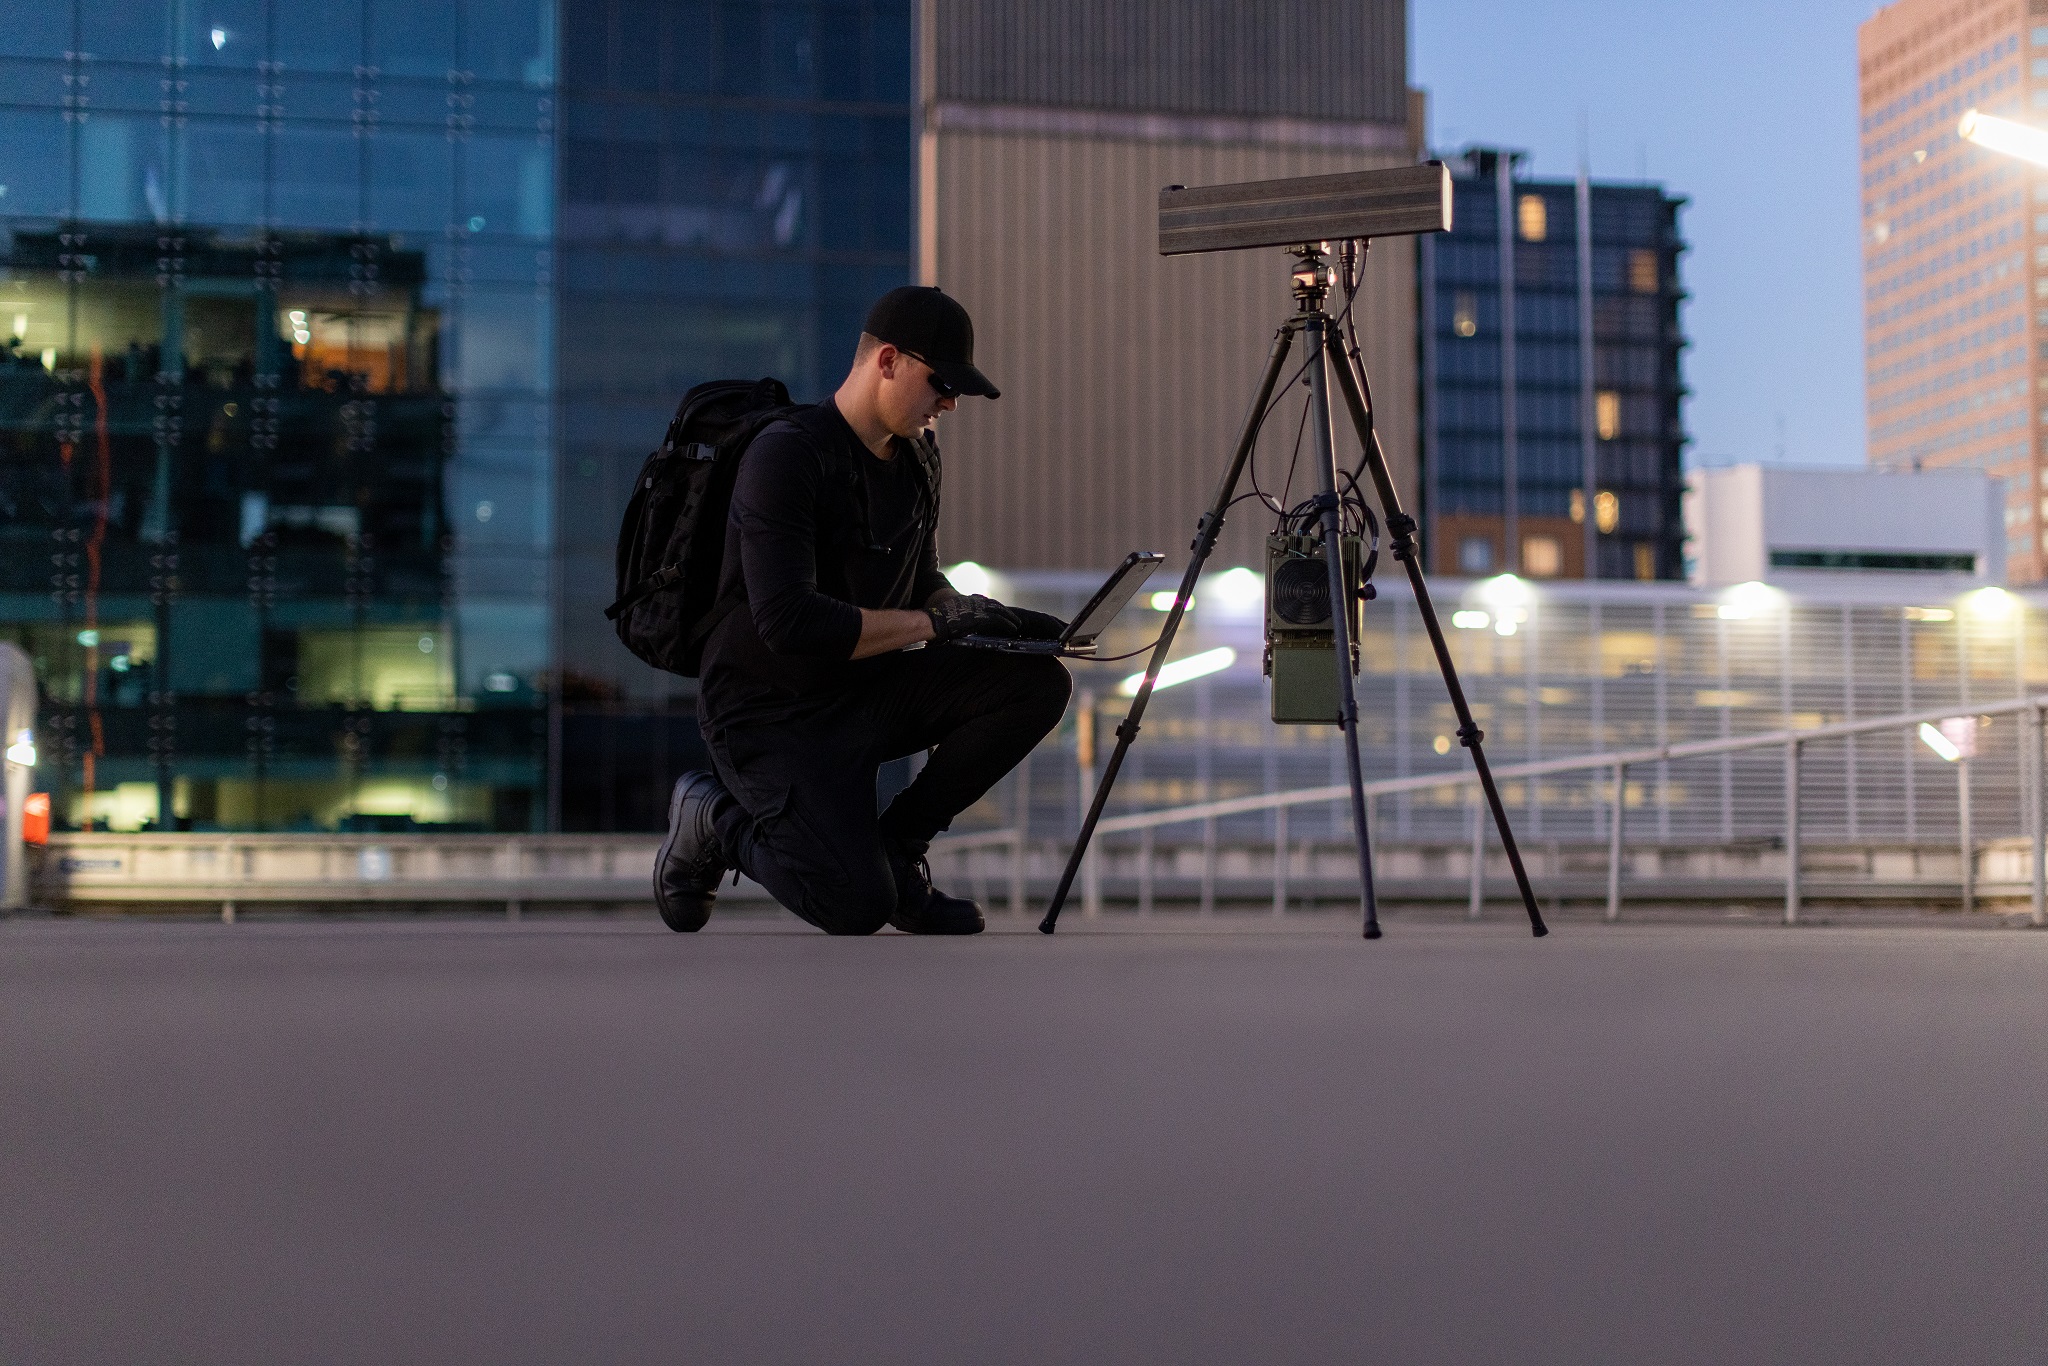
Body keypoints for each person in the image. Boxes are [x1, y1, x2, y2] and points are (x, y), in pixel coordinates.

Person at [655, 286, 1072, 935]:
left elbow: (919, 576)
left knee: (1036, 685)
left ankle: (899, 852)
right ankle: (713, 817)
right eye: (941, 383)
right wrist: (937, 626)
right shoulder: (787, 454)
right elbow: (789, 621)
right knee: (853, 906)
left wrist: (964, 610)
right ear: (887, 362)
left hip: (860, 691)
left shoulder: (916, 458)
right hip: (769, 712)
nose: (950, 402)